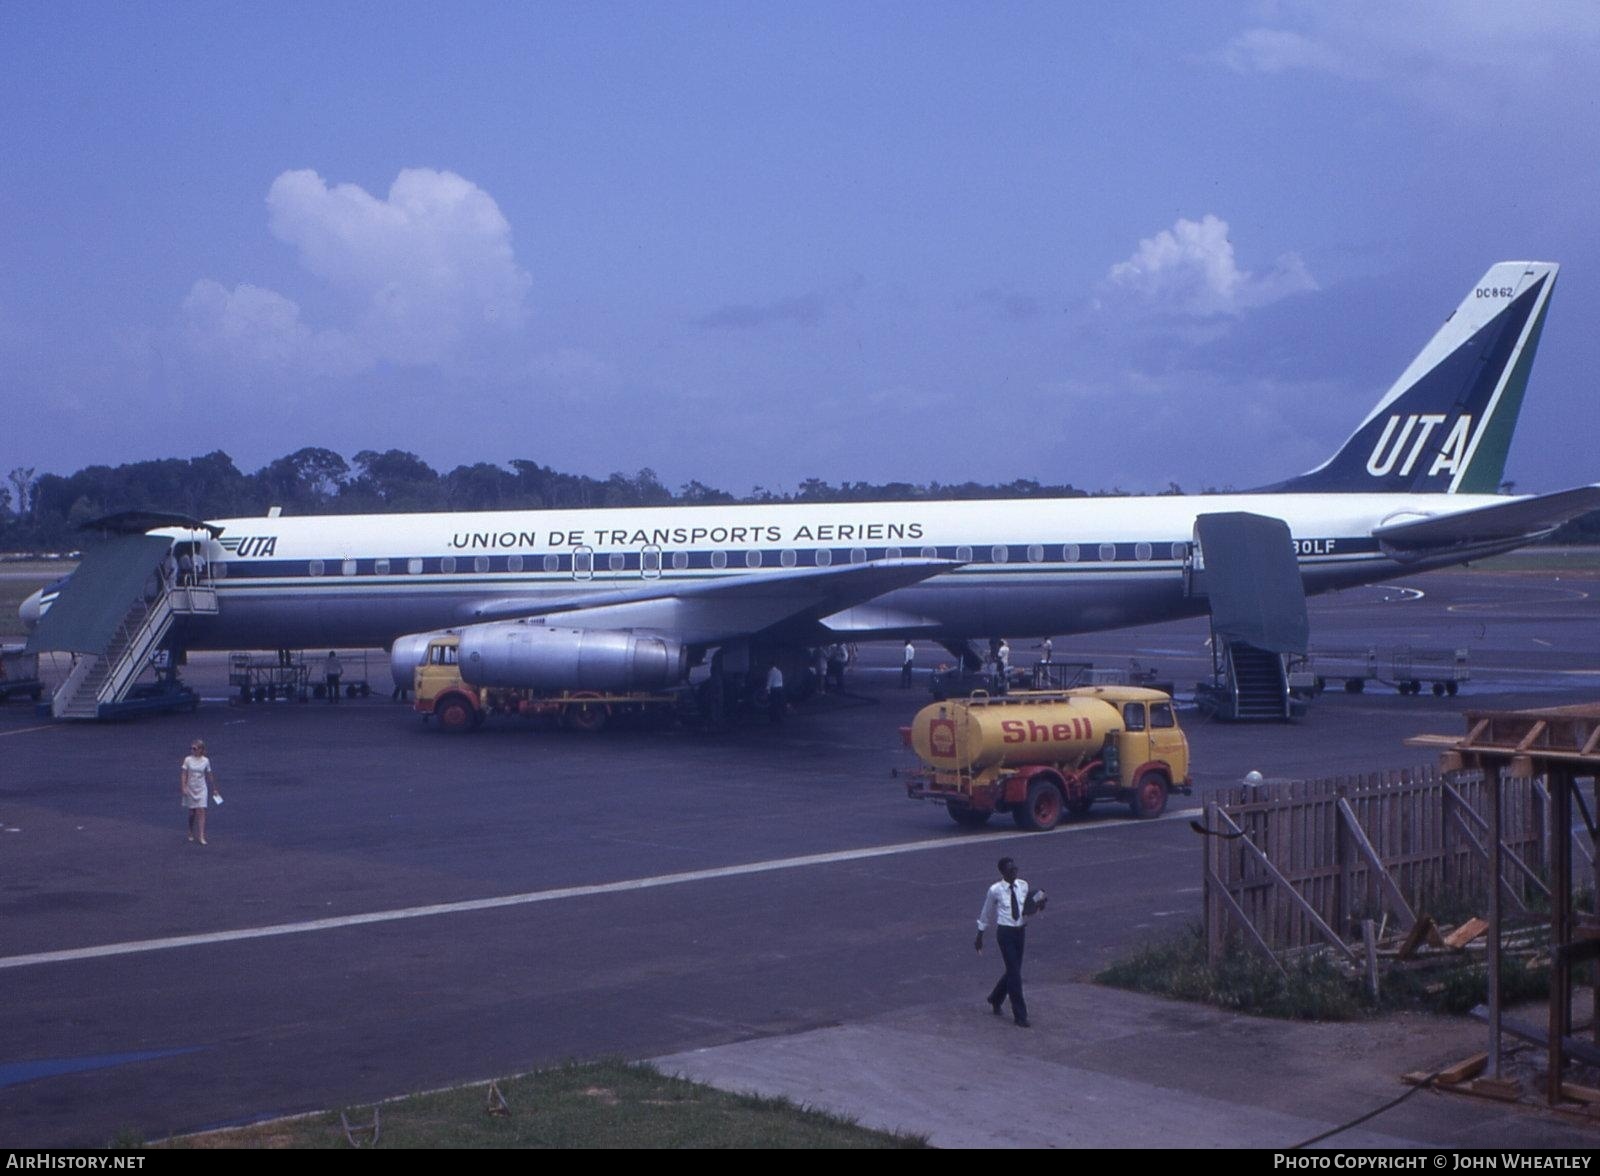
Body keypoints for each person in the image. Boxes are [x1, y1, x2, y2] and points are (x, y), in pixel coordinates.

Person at [975, 855, 1046, 1027]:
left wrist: (1039, 904)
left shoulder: (1023, 885)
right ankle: (1020, 1015)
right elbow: (986, 912)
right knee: (1015, 974)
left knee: (1013, 971)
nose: (1014, 871)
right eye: (1010, 869)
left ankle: (995, 998)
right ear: (1002, 872)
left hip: (1020, 931)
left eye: (1015, 868)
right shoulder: (995, 890)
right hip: (1005, 933)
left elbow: (1029, 905)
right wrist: (980, 934)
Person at [180, 738, 219, 844]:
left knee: (201, 810)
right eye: (192, 748)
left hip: (201, 788)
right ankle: (190, 830)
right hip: (190, 787)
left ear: (201, 749)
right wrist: (183, 787)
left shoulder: (206, 760)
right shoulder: (187, 759)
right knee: (192, 812)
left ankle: (201, 835)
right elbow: (184, 773)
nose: (192, 750)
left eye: (195, 748)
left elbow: (209, 774)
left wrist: (214, 788)